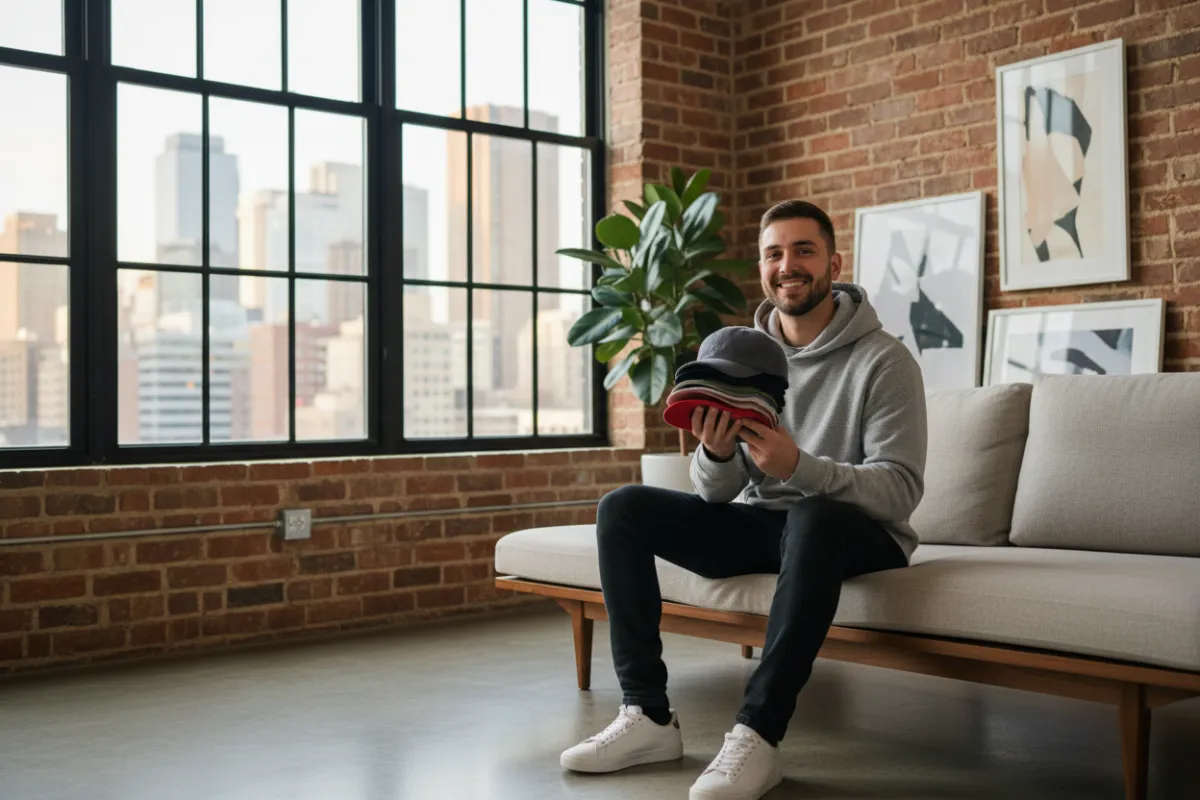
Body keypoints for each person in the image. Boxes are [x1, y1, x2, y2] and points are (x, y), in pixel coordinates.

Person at [559, 200, 928, 800]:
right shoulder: (743, 356)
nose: (789, 265)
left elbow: (901, 491)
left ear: (834, 262)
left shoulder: (884, 361)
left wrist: (799, 467)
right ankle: (648, 716)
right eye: (774, 253)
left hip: (859, 534)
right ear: (762, 267)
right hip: (771, 527)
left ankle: (758, 734)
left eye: (804, 250)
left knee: (812, 514)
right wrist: (717, 452)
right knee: (622, 508)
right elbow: (714, 493)